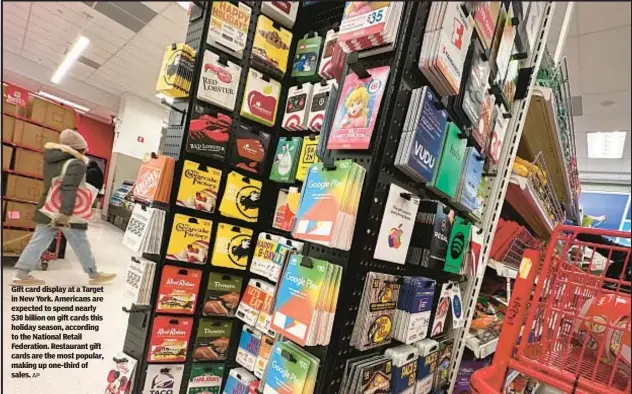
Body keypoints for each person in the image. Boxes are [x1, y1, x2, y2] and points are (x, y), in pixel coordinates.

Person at [11, 129, 116, 286]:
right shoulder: (77, 163)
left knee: (38, 241)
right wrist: (65, 213)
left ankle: (21, 275)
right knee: (80, 242)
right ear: (79, 148)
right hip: (67, 211)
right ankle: (94, 274)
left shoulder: (51, 159)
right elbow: (69, 188)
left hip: (47, 206)